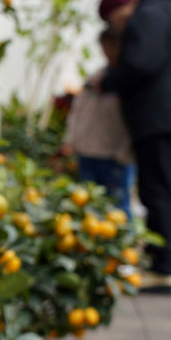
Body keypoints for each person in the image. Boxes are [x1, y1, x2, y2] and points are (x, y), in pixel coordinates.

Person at [99, 0, 171, 293]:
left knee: (158, 193)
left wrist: (107, 80)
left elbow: (140, 63)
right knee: (169, 193)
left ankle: (163, 268)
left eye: (112, 19)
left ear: (121, 8)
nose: (116, 28)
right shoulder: (167, 13)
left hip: (160, 118)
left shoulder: (148, 15)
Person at [64, 28, 134, 214]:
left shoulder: (129, 80)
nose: (108, 51)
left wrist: (124, 152)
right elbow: (77, 111)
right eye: (105, 46)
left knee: (117, 210)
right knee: (89, 210)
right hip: (87, 153)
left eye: (113, 45)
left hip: (114, 156)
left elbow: (135, 119)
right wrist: (71, 141)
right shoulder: (95, 77)